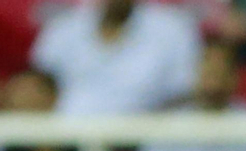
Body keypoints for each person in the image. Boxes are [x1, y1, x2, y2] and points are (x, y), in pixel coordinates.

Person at [31, 0, 203, 115]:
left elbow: (186, 91)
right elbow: (37, 84)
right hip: (67, 140)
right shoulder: (63, 28)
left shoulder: (172, 28)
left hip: (148, 140)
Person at [136, 42, 246, 151]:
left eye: (220, 73)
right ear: (195, 74)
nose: (213, 83)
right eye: (208, 73)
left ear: (234, 77)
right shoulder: (168, 127)